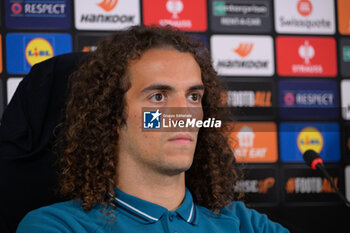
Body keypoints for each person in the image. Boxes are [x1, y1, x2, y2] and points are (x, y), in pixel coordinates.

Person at [16, 25, 289, 233]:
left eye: (193, 96)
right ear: (111, 116)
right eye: (158, 97)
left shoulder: (245, 224)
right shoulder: (58, 226)